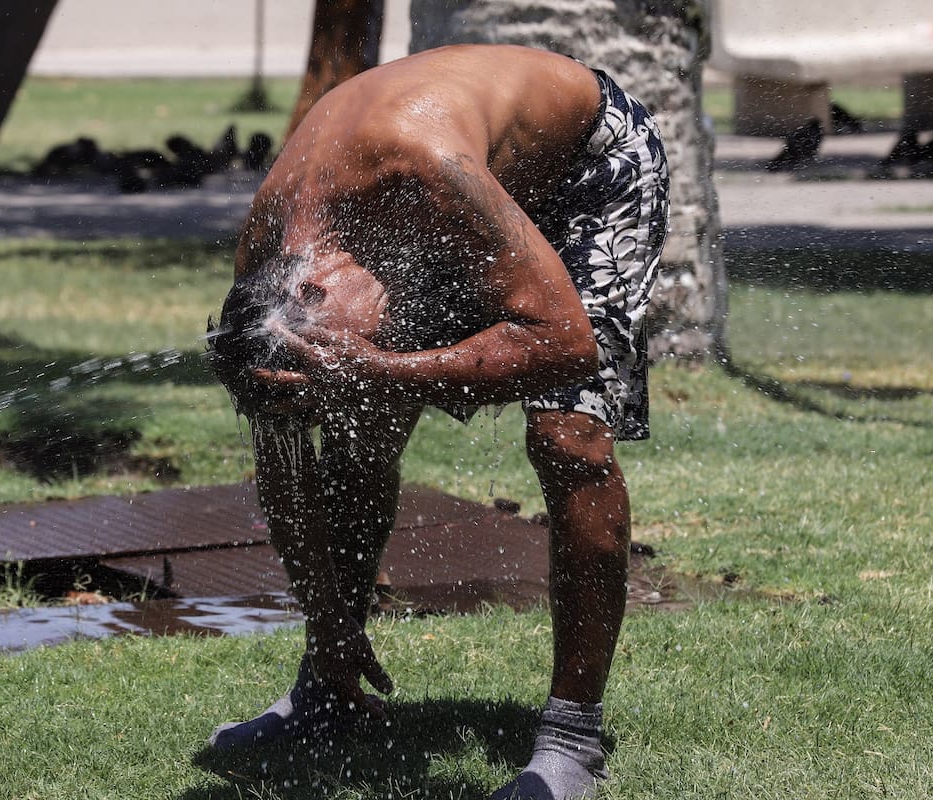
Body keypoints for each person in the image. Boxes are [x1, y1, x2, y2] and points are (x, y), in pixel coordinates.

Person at [204, 43, 669, 800]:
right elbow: (284, 467)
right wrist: (326, 625)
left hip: (584, 172)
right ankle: (324, 693)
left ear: (318, 288)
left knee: (567, 438)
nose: (335, 387)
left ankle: (572, 740)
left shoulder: (418, 165)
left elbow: (564, 344)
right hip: (451, 207)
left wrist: (384, 369)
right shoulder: (267, 272)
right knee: (357, 436)